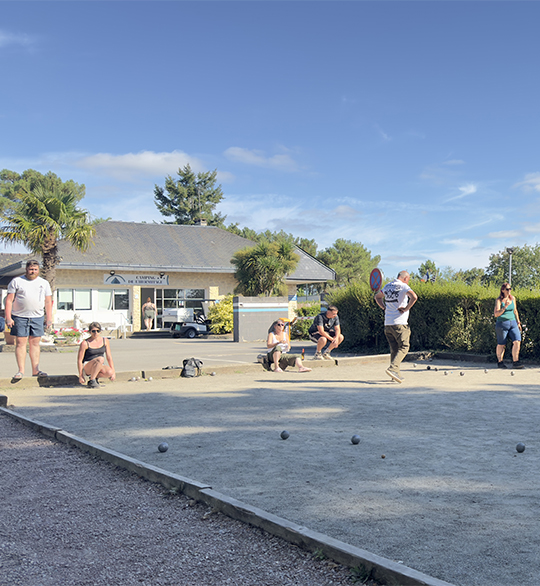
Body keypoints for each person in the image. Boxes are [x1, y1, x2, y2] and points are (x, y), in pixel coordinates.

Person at [5, 260, 53, 380]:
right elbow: (9, 300)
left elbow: (48, 302)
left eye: (35, 269)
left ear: (38, 270)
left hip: (37, 317)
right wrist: (8, 317)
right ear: (26, 269)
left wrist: (49, 319)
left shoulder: (44, 283)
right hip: (20, 317)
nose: (33, 271)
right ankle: (21, 371)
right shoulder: (17, 281)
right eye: (31, 269)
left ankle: (35, 370)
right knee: (21, 343)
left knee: (35, 343)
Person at [375, 271, 418, 384]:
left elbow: (377, 297)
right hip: (400, 322)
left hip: (388, 323)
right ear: (405, 278)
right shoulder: (404, 286)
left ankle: (395, 374)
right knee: (404, 346)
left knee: (394, 349)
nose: (408, 281)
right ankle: (393, 368)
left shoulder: (387, 286)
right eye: (408, 279)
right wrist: (406, 308)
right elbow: (414, 297)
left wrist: (384, 308)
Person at [77, 322, 116, 388]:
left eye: (98, 331)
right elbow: (80, 360)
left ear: (100, 332)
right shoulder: (85, 343)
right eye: (93, 331)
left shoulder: (105, 341)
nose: (96, 333)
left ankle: (94, 378)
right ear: (89, 332)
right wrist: (81, 375)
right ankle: (92, 380)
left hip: (99, 364)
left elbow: (109, 356)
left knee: (109, 372)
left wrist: (113, 372)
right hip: (88, 365)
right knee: (100, 359)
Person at [494, 283, 523, 369]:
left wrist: (518, 322)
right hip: (502, 324)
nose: (509, 291)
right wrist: (505, 307)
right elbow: (496, 314)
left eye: (510, 289)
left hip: (513, 323)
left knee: (517, 341)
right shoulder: (499, 300)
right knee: (501, 344)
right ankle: (500, 362)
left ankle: (516, 361)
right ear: (502, 290)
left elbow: (515, 310)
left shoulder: (513, 298)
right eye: (507, 289)